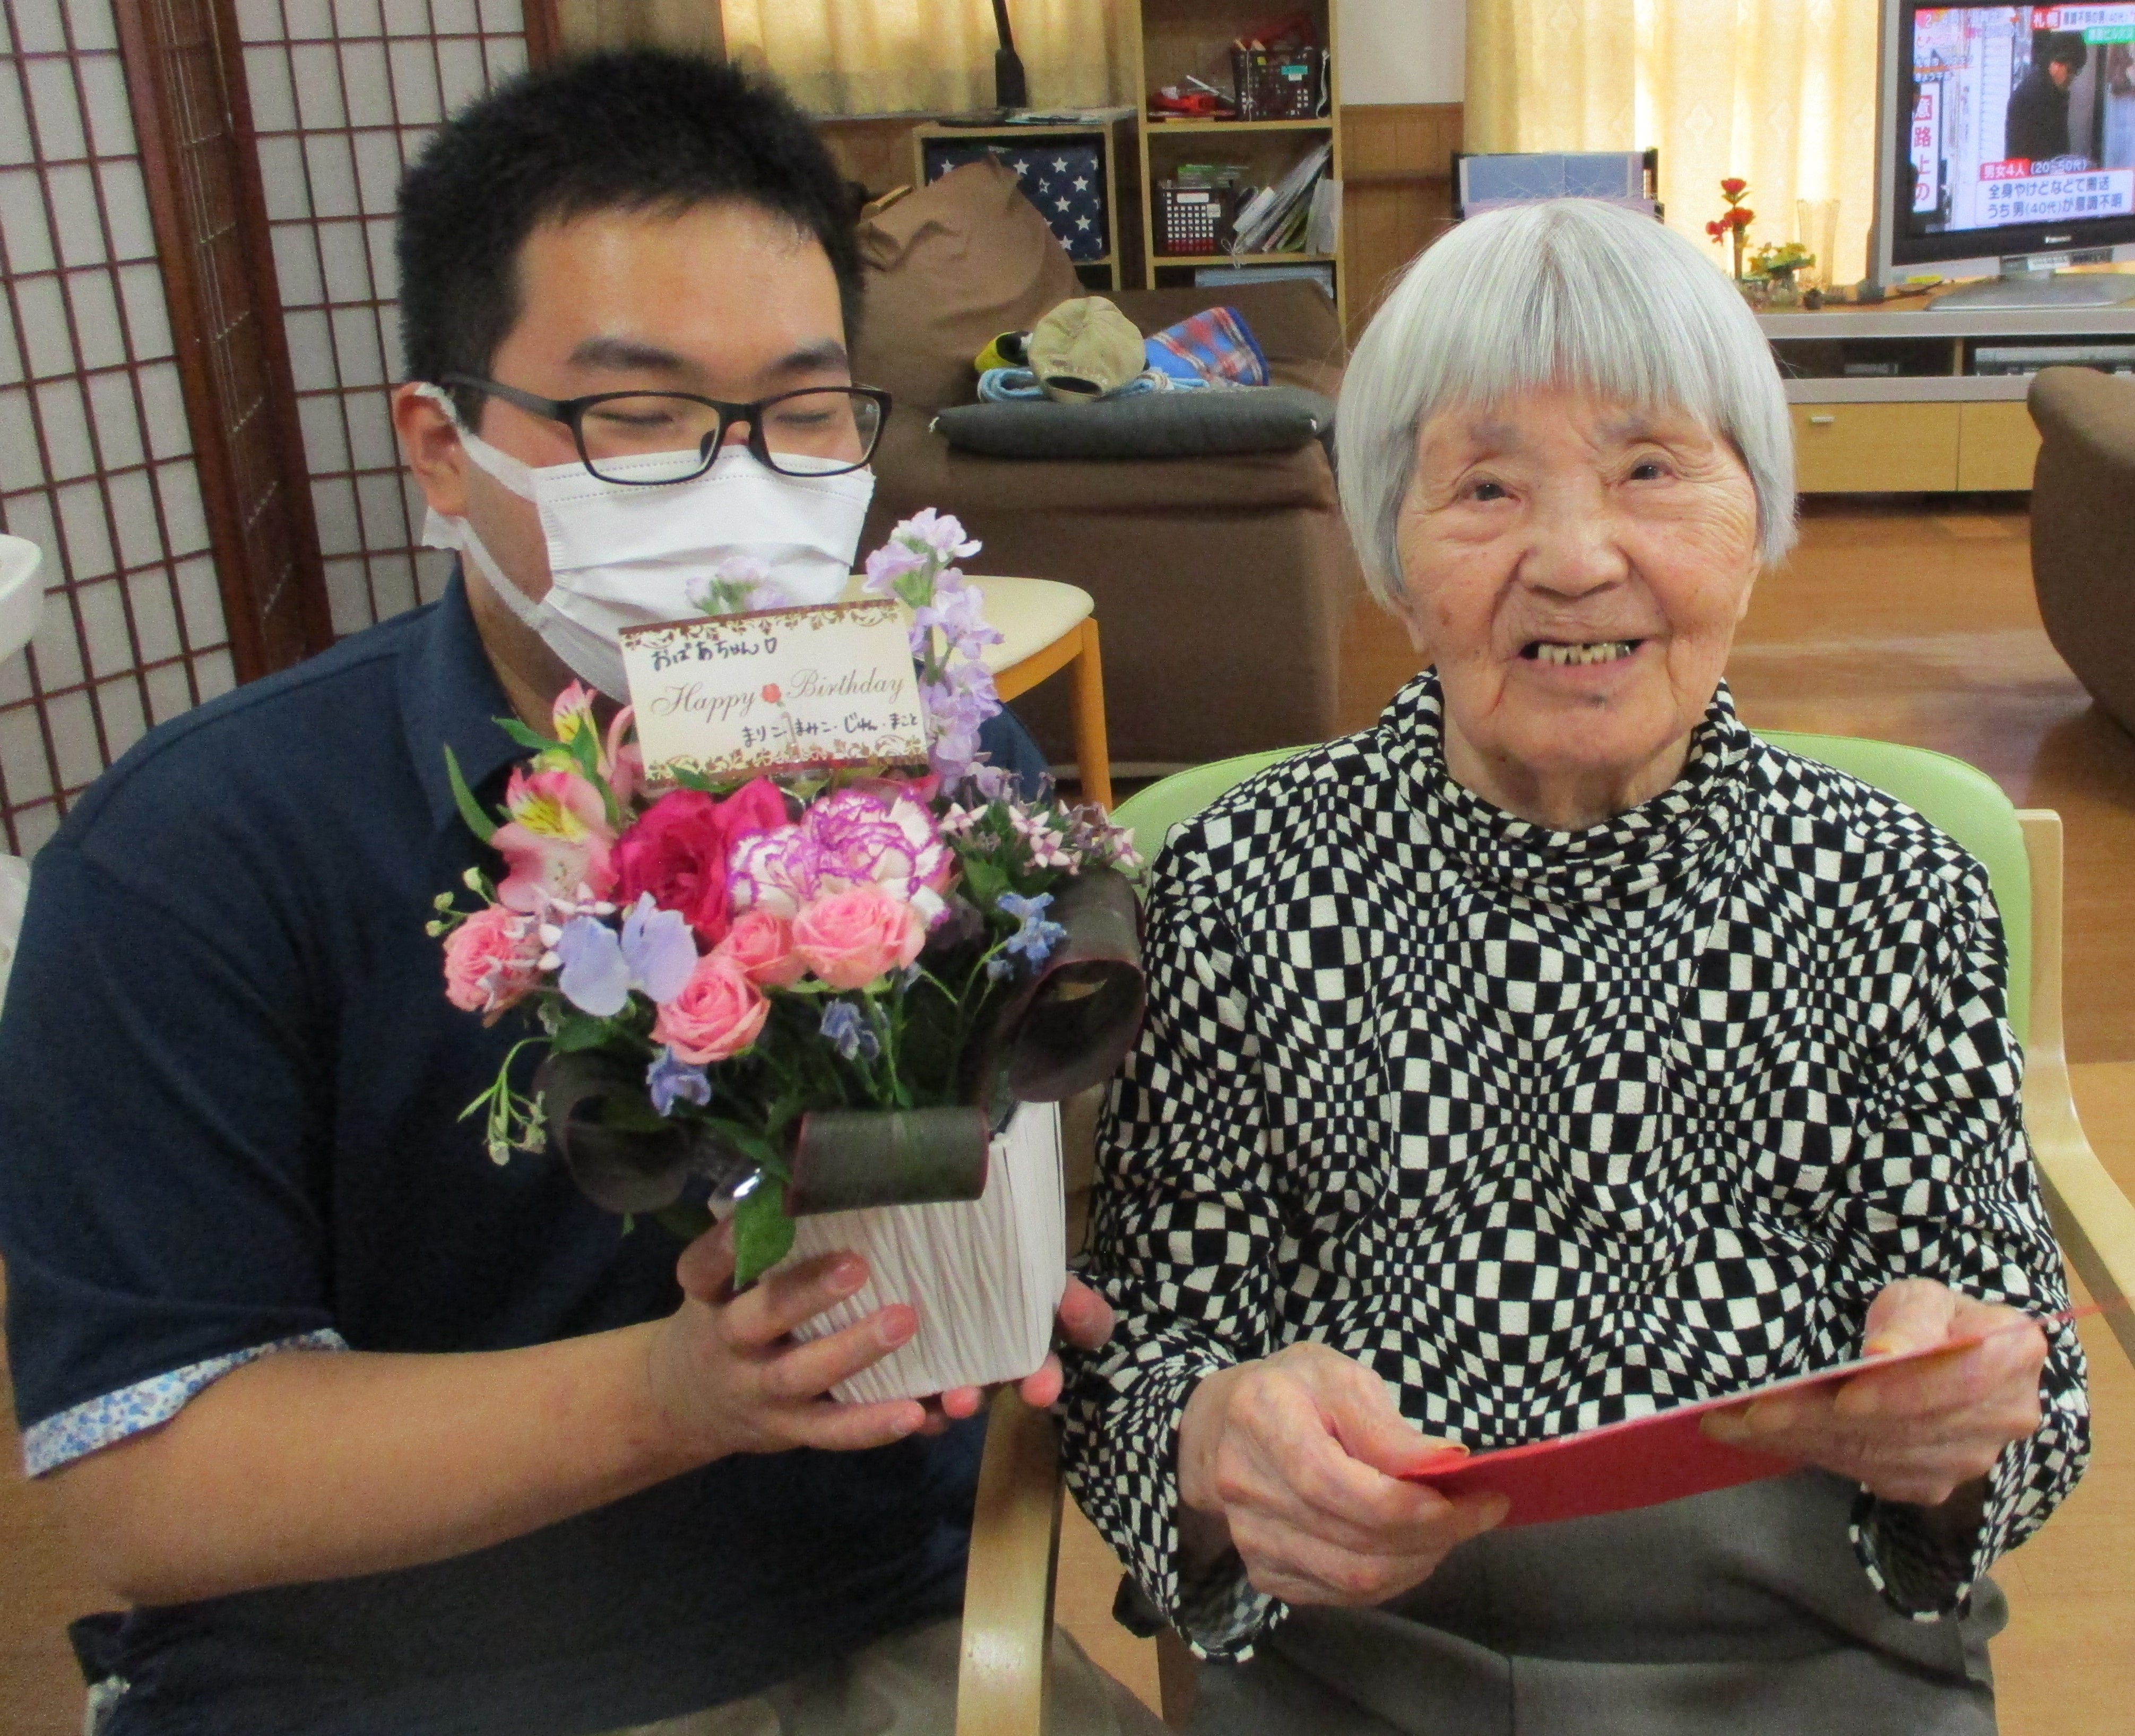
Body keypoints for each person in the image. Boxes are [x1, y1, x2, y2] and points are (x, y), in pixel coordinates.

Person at [0, 50, 1162, 1736]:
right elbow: (145, 1481)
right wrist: (675, 1393)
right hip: (381, 1683)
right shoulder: (197, 854)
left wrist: (1007, 1264)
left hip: (875, 1621)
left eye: (803, 413)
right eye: (640, 415)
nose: (740, 486)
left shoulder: (933, 757)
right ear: (443, 446)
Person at [1059, 198, 2088, 1735]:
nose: (1573, 558)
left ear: (1757, 514)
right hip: (1358, 1660)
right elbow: (1134, 1366)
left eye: (1648, 469)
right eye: (1483, 485)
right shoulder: (1232, 884)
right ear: (1387, 544)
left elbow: (2026, 1395)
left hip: (1814, 1649)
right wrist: (1211, 1442)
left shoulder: (1890, 885)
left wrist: (1957, 1421)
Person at [2006, 31, 2088, 164]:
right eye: (2069, 70)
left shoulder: (2054, 92)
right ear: (2056, 62)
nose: (2071, 77)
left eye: (2075, 72)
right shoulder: (2033, 96)